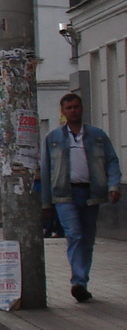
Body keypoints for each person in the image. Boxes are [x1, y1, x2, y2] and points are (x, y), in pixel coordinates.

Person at [40, 92, 121, 303]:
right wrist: (45, 203)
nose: (73, 111)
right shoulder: (53, 138)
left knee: (87, 240)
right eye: (69, 108)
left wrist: (113, 185)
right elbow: (46, 170)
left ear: (81, 109)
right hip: (64, 195)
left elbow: (111, 161)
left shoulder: (97, 136)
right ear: (63, 111)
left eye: (76, 107)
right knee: (74, 235)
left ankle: (82, 283)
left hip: (91, 194)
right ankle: (77, 281)